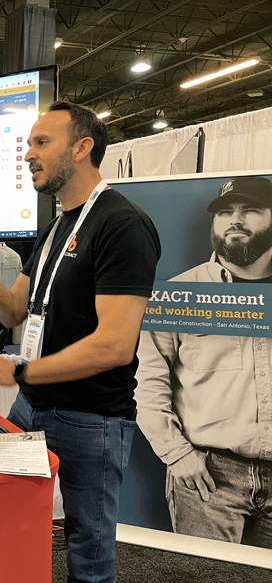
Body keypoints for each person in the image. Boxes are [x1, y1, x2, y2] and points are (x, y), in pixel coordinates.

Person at [0, 101, 161, 583]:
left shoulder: (121, 224)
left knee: (87, 545)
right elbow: (15, 310)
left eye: (41, 143)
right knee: (5, 516)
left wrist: (19, 371)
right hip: (34, 406)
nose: (27, 154)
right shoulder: (55, 228)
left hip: (92, 418)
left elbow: (114, 344)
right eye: (27, 144)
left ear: (82, 147)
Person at [136, 175, 272, 548]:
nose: (235, 220)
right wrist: (176, 454)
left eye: (252, 210)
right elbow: (147, 383)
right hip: (209, 480)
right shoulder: (178, 294)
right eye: (225, 211)